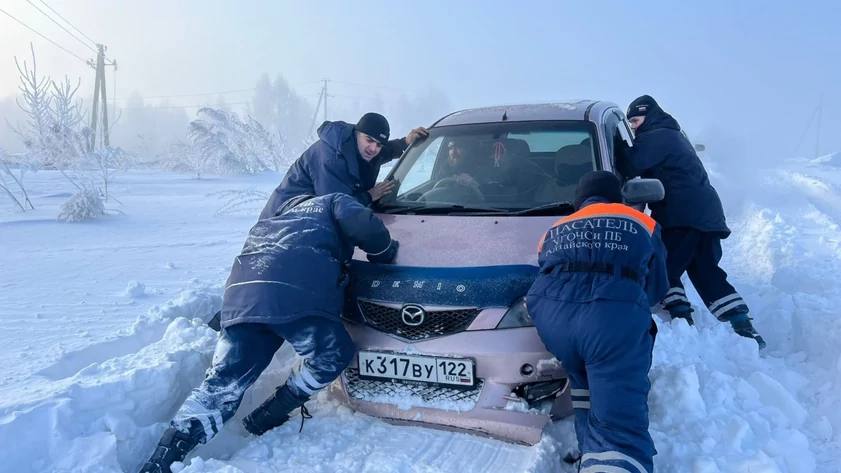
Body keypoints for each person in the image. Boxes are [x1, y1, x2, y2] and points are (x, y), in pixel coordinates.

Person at [139, 192, 399, 473]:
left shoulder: (270, 222)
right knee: (333, 355)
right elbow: (360, 219)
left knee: (221, 385)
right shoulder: (331, 201)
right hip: (297, 297)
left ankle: (161, 460)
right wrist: (384, 250)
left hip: (242, 301)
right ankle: (267, 414)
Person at [527, 171, 668, 473]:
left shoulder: (556, 227)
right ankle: (611, 462)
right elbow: (658, 286)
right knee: (618, 417)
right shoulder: (641, 222)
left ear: (579, 200)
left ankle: (589, 450)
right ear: (617, 196)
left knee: (585, 384)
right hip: (609, 319)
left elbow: (546, 269)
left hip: (552, 317)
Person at [621, 94, 766, 349]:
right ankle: (742, 324)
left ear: (649, 115)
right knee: (705, 270)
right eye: (630, 123)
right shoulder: (672, 135)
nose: (633, 127)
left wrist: (617, 145)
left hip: (683, 215)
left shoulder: (657, 134)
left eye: (635, 120)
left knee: (663, 265)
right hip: (705, 214)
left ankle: (680, 317)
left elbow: (633, 163)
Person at [258, 112, 428, 219]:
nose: (373, 148)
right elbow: (337, 208)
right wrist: (369, 196)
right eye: (369, 140)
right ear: (356, 134)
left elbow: (384, 151)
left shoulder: (360, 149)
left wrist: (406, 142)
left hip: (306, 220)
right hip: (280, 222)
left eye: (378, 144)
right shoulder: (331, 157)